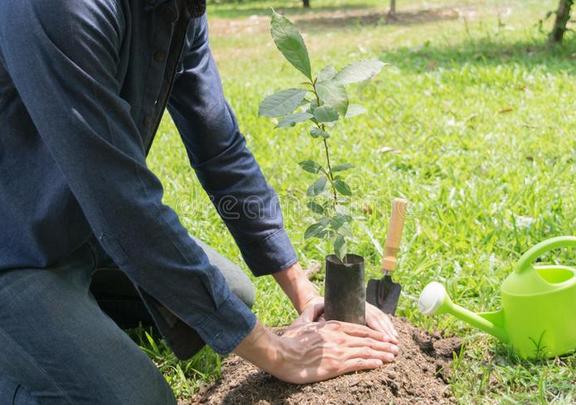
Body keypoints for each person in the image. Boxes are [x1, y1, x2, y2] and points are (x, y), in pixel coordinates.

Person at [0, 0, 400, 404]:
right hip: (12, 252)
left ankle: (64, 313)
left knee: (233, 297)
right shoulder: (57, 7)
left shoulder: (176, 8)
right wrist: (277, 353)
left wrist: (305, 293)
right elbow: (123, 208)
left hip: (78, 226)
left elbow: (219, 148)